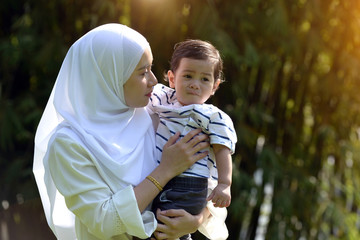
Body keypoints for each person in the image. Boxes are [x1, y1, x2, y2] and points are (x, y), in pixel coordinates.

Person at [33, 24, 228, 240]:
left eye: (151, 68)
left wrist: (197, 220)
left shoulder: (158, 110)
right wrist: (165, 170)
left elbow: (208, 174)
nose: (154, 80)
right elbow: (104, 221)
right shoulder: (68, 144)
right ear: (110, 76)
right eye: (143, 72)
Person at [147, 39, 237, 240]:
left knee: (164, 226)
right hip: (161, 178)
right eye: (188, 76)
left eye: (205, 79)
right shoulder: (164, 99)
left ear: (215, 86)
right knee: (165, 226)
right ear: (172, 78)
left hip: (188, 184)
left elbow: (223, 149)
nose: (195, 85)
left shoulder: (211, 115)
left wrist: (224, 184)